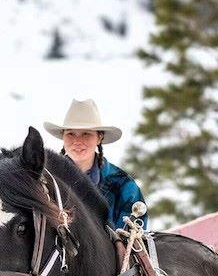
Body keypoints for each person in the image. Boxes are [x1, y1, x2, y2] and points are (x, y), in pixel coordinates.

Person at [43, 98, 148, 230]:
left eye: (86, 134)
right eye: (71, 134)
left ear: (100, 138)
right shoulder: (46, 180)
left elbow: (134, 237)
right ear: (62, 137)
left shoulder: (124, 185)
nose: (77, 141)